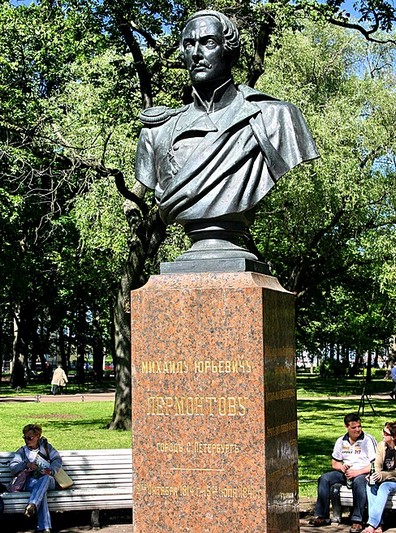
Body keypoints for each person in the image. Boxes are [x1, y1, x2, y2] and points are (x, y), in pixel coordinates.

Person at [135, 10, 318, 264]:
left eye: (208, 42)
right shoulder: (156, 133)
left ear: (228, 50)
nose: (197, 53)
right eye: (189, 44)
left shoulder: (276, 118)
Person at [309, 413, 377, 532]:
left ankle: (357, 520)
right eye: (354, 427)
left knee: (359, 483)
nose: (358, 430)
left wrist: (357, 472)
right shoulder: (341, 441)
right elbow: (334, 463)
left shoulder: (368, 440)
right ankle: (322, 516)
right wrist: (342, 468)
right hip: (345, 472)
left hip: (363, 472)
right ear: (346, 427)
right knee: (324, 478)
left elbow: (375, 464)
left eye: (359, 426)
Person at [9, 423, 62, 533]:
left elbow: (57, 460)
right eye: (25, 437)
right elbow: (13, 468)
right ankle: (44, 527)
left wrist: (51, 470)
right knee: (40, 492)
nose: (27, 440)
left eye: (30, 437)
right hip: (31, 481)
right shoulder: (22, 451)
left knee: (46, 478)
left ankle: (32, 504)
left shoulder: (47, 447)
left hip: (49, 480)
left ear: (38, 436)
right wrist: (26, 464)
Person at [363, 422, 396, 533]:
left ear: (394, 436)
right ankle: (378, 524)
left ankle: (372, 524)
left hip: (393, 481)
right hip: (383, 478)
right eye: (383, 432)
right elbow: (377, 465)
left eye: (386, 433)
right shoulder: (381, 445)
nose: (383, 435)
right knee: (370, 485)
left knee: (384, 487)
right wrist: (374, 475)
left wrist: (382, 475)